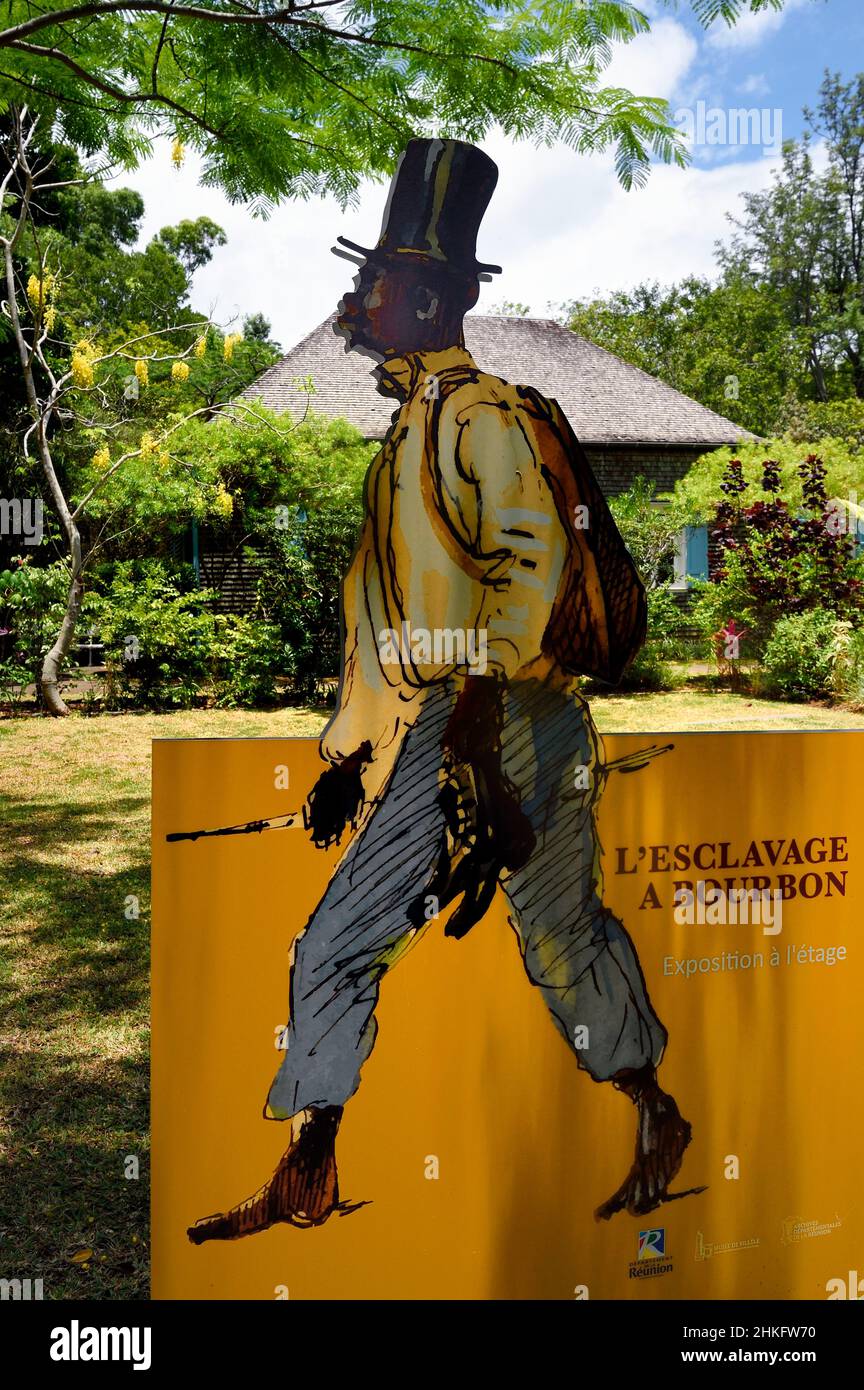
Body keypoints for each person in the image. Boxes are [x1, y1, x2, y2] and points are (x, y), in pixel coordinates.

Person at [188, 138, 693, 1245]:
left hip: (515, 716)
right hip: (447, 725)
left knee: (556, 938)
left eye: (374, 279)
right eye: (364, 277)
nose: (357, 297)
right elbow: (377, 630)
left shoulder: (481, 415)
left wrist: (474, 704)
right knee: (339, 941)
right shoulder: (401, 439)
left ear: (425, 294)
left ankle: (653, 1111)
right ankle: (309, 1166)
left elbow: (530, 564)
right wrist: (343, 759)